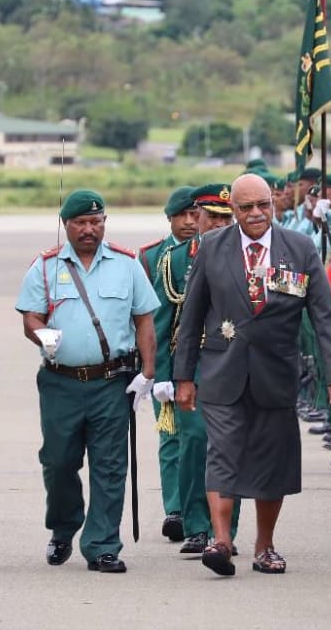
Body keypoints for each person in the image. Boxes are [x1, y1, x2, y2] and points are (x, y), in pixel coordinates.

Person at [173, 173, 331, 577]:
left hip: (276, 372)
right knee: (223, 451)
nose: (256, 214)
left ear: (272, 204)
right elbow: (192, 315)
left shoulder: (300, 248)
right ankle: (221, 541)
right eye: (246, 207)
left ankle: (264, 546)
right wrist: (184, 376)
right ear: (232, 210)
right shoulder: (213, 247)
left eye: (263, 205)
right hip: (222, 370)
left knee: (273, 461)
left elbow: (324, 315)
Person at [15, 189, 159, 573]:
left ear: (104, 223)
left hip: (111, 382)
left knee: (110, 465)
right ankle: (64, 527)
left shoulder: (127, 265)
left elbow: (144, 319)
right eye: (80, 222)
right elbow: (30, 315)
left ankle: (102, 545)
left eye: (96, 222)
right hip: (60, 383)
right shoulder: (45, 267)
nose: (89, 229)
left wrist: (147, 372)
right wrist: (41, 333)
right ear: (66, 225)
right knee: (59, 462)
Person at [150, 184, 242, 553]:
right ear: (197, 217)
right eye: (211, 217)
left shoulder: (248, 258)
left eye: (225, 218)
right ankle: (196, 525)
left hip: (235, 366)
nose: (218, 224)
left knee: (230, 447)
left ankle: (226, 532)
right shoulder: (175, 259)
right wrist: (161, 376)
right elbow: (161, 321)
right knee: (195, 443)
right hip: (193, 366)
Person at [139, 185, 199, 543]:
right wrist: (157, 372)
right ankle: (175, 508)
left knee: (200, 440)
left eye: (196, 215)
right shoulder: (151, 258)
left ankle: (198, 511)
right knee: (170, 437)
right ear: (170, 219)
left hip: (204, 364)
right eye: (183, 216)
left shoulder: (211, 251)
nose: (191, 222)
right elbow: (152, 320)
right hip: (168, 362)